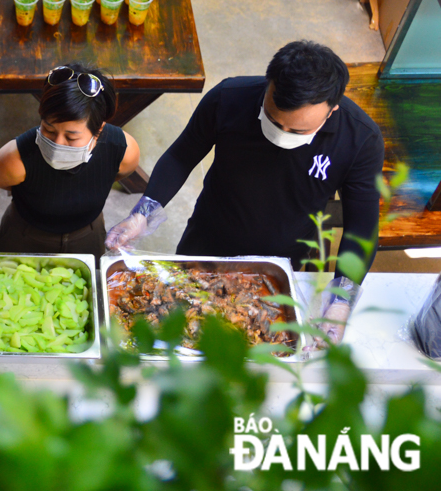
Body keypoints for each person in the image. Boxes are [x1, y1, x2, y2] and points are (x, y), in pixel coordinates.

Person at [106, 41, 385, 342]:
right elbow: (181, 155)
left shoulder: (360, 139)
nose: (282, 135)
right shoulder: (229, 98)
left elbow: (362, 226)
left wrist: (341, 302)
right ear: (268, 87)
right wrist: (142, 214)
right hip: (206, 241)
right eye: (274, 120)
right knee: (181, 328)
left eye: (297, 131)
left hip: (280, 263)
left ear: (331, 113)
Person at [0, 64, 140, 257]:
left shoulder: (122, 150)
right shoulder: (15, 158)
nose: (58, 143)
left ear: (98, 130)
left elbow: (118, 173)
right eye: (48, 130)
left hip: (87, 236)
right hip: (25, 236)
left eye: (71, 137)